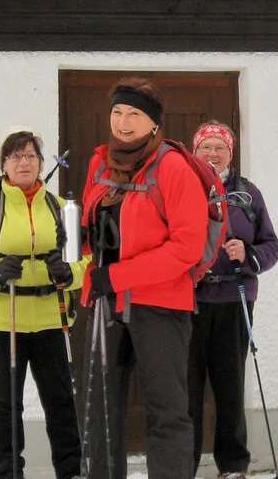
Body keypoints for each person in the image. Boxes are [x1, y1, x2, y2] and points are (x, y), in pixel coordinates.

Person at [79, 77, 206, 479]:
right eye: (117, 112)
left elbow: (186, 247)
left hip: (161, 306)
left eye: (134, 113)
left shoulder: (172, 167)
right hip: (105, 301)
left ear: (153, 122)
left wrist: (116, 275)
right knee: (101, 406)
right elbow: (92, 228)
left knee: (166, 410)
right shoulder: (99, 163)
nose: (123, 121)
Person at [0, 129, 88, 479]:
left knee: (61, 401)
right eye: (16, 156)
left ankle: (71, 471)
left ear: (41, 163)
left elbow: (86, 261)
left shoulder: (60, 209)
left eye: (31, 156)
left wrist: (68, 273)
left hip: (51, 318)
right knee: (4, 404)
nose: (24, 162)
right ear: (4, 165)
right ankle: (8, 472)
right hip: (2, 321)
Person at [188, 120, 278, 479]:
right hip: (190, 300)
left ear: (231, 153)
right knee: (187, 389)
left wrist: (248, 253)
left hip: (234, 297)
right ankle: (183, 464)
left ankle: (233, 466)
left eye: (220, 148)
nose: (212, 154)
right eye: (205, 147)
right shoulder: (182, 186)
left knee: (230, 387)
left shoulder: (247, 193)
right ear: (194, 152)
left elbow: (271, 245)